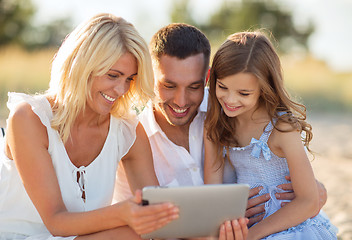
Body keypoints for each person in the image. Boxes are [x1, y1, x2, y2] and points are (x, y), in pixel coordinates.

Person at [113, 23, 327, 239]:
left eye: (194, 86)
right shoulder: (134, 134)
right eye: (169, 85)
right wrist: (224, 217)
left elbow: (306, 195)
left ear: (207, 78)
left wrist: (317, 191)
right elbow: (160, 222)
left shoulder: (231, 115)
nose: (181, 100)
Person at [0, 13, 179, 239]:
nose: (122, 90)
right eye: (113, 76)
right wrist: (123, 213)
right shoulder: (29, 119)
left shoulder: (127, 130)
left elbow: (157, 214)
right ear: (82, 66)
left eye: (130, 79)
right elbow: (56, 222)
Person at [204, 31, 338, 239]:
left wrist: (253, 235)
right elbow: (212, 193)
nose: (230, 99)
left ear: (264, 88)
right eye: (222, 87)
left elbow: (309, 201)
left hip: (290, 227)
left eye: (244, 93)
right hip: (245, 227)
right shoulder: (216, 124)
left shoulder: (281, 128)